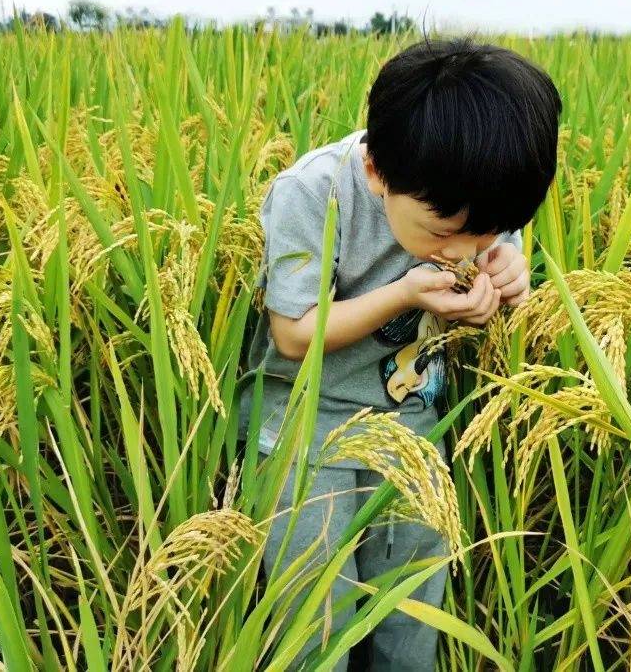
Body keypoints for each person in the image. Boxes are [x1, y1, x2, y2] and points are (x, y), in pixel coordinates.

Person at [237, 35, 561, 670]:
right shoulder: (312, 192)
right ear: (377, 173)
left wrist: (512, 271)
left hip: (414, 430)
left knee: (410, 621)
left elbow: (499, 245)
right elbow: (292, 333)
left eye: (487, 233)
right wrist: (404, 293)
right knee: (315, 631)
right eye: (444, 233)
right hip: (306, 439)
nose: (466, 250)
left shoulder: (481, 189)